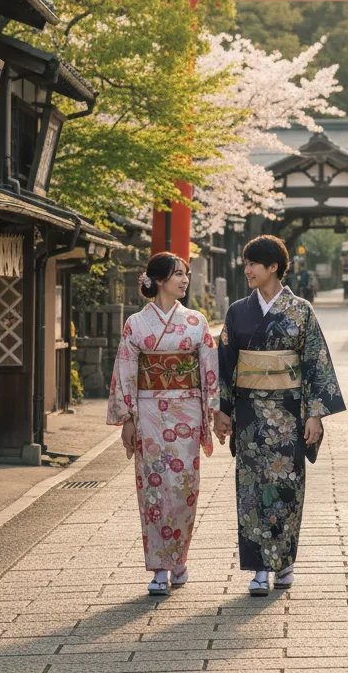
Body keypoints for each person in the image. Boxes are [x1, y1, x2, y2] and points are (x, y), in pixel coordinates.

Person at [213, 235, 345, 596]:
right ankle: (259, 569)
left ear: (273, 267)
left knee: (286, 489)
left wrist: (315, 414)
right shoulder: (238, 311)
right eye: (246, 263)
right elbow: (225, 364)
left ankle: (283, 560)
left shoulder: (301, 310)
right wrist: (221, 411)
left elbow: (316, 363)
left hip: (288, 415)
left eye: (254, 263)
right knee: (252, 490)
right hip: (250, 413)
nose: (248, 270)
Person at [106, 252, 218, 596]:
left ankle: (179, 558)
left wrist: (214, 410)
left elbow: (208, 370)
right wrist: (127, 418)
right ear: (157, 280)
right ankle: (158, 567)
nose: (184, 280)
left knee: (185, 486)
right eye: (177, 274)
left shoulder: (196, 322)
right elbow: (126, 370)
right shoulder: (136, 324)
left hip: (186, 412)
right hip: (149, 411)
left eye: (185, 274)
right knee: (153, 488)